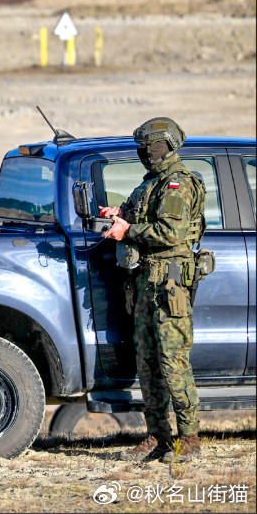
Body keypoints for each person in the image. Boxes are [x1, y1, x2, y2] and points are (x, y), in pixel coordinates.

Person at [99, 117, 206, 463]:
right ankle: (158, 438)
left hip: (170, 288)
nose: (144, 153)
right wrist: (119, 214)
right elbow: (140, 214)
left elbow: (170, 233)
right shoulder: (151, 183)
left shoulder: (177, 183)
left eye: (148, 147)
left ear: (164, 146)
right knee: (147, 365)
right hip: (146, 285)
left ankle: (189, 440)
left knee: (173, 363)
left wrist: (127, 232)